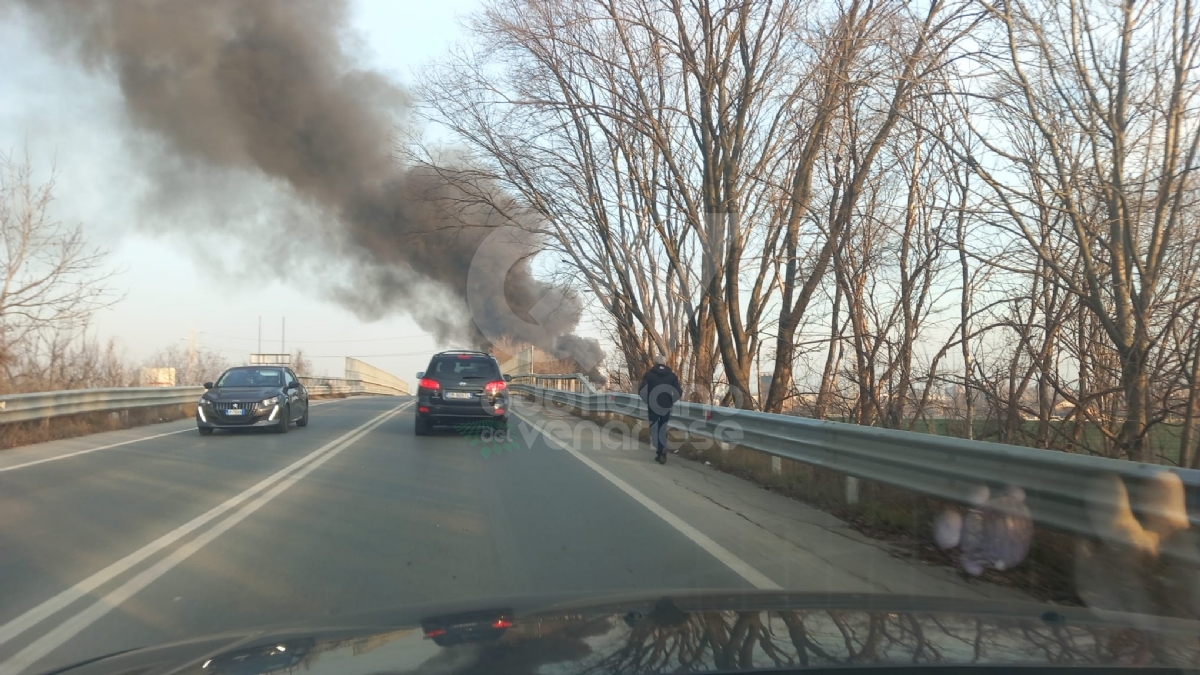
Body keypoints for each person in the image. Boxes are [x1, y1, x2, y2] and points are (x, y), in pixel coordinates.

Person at [639, 354, 682, 464]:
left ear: (655, 363)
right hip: (666, 405)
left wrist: (647, 401)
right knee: (663, 428)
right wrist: (671, 401)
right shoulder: (671, 376)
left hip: (653, 405)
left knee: (654, 428)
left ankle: (660, 451)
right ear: (665, 363)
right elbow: (678, 392)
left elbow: (642, 391)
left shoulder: (649, 375)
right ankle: (662, 450)